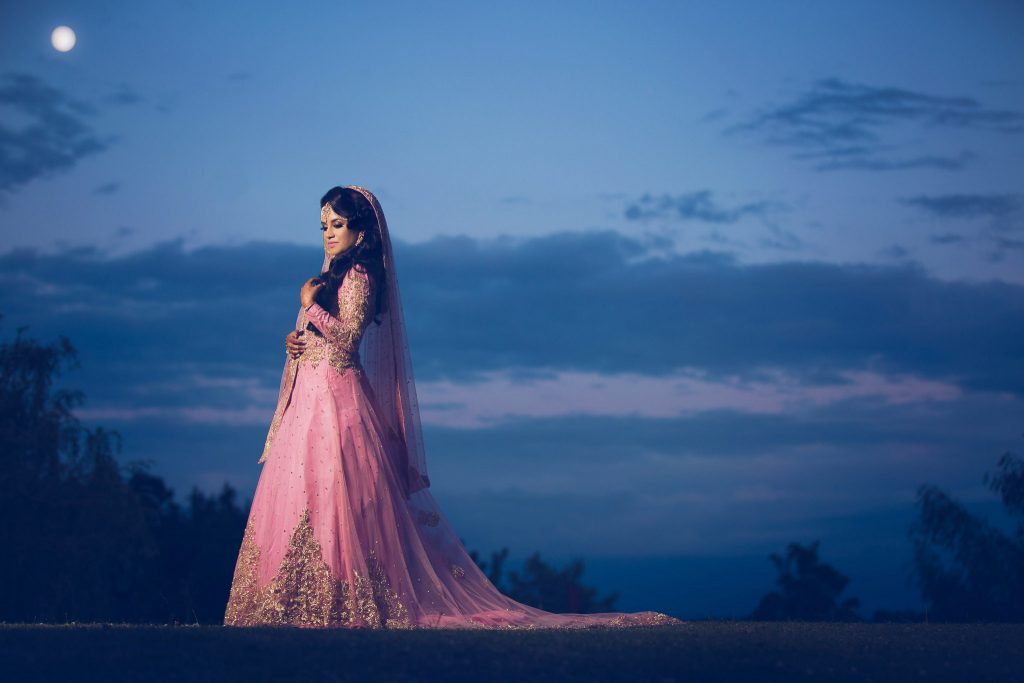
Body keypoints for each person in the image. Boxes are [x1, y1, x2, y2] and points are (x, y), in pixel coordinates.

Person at [223, 185, 683, 629]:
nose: (327, 233)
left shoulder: (361, 276)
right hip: (310, 397)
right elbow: (320, 340)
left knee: (339, 494)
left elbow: (347, 342)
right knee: (303, 492)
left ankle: (345, 599)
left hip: (338, 401)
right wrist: (296, 341)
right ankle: (292, 600)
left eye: (337, 224)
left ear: (360, 232)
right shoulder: (329, 276)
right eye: (323, 224)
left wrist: (312, 308)